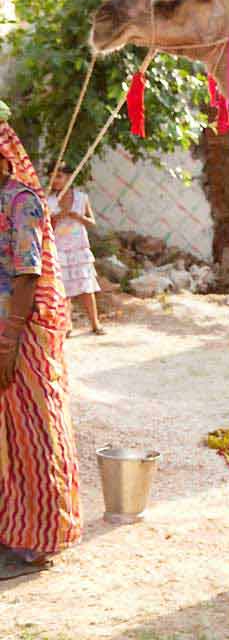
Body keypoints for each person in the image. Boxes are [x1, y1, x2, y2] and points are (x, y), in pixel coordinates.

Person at [0, 108, 81, 581]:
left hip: (22, 331)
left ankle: (36, 538)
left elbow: (28, 274)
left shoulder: (22, 201)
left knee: (32, 432)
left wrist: (9, 341)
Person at [47, 165, 104, 336]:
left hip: (79, 249)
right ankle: (67, 325)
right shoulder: (49, 200)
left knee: (86, 287)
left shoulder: (81, 198)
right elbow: (46, 226)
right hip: (59, 249)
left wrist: (78, 217)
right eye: (52, 176)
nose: (55, 180)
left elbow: (92, 223)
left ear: (69, 177)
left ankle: (95, 324)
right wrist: (57, 217)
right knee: (63, 289)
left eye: (59, 176)